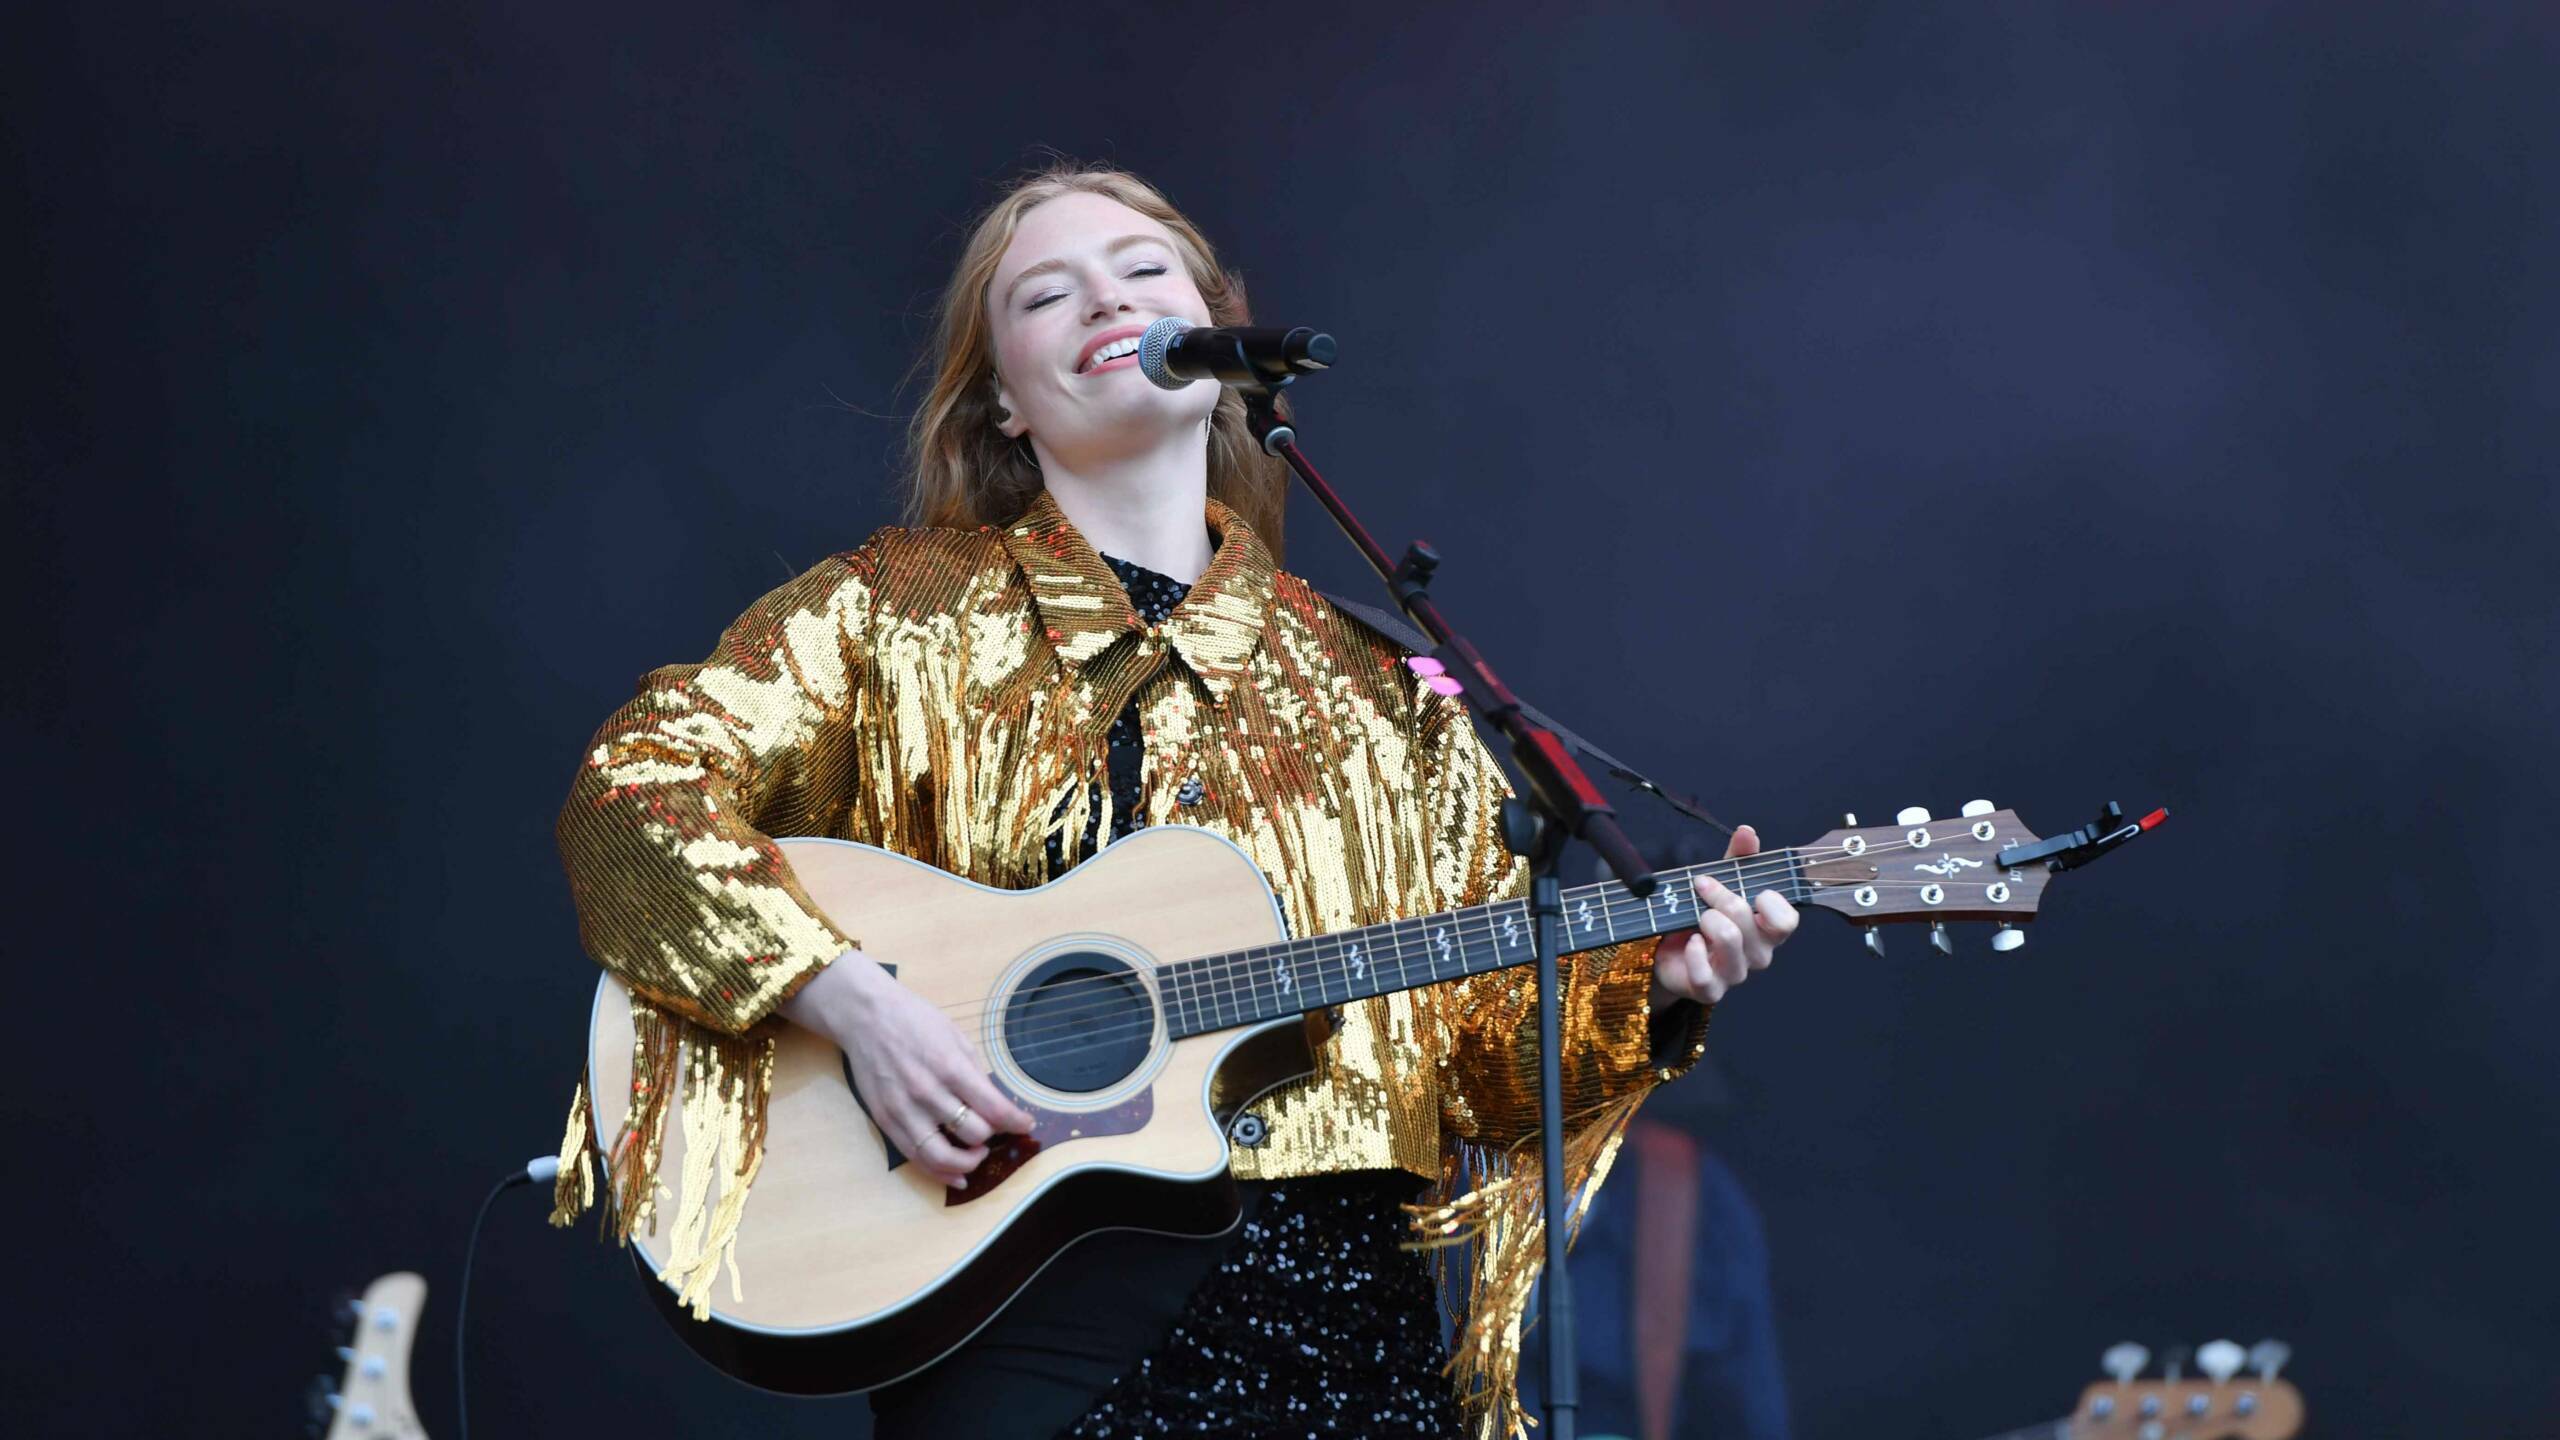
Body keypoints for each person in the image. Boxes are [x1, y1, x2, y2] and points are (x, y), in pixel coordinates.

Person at [547, 161, 1800, 1439]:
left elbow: (1469, 1063)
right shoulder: (891, 612)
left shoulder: (1383, 683)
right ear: (1000, 400)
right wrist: (840, 992)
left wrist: (1654, 988)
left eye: (1145, 272)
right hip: (1029, 1317)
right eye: (1047, 293)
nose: (1106, 298)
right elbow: (631, 793)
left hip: (1352, 1329)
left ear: (1218, 338)